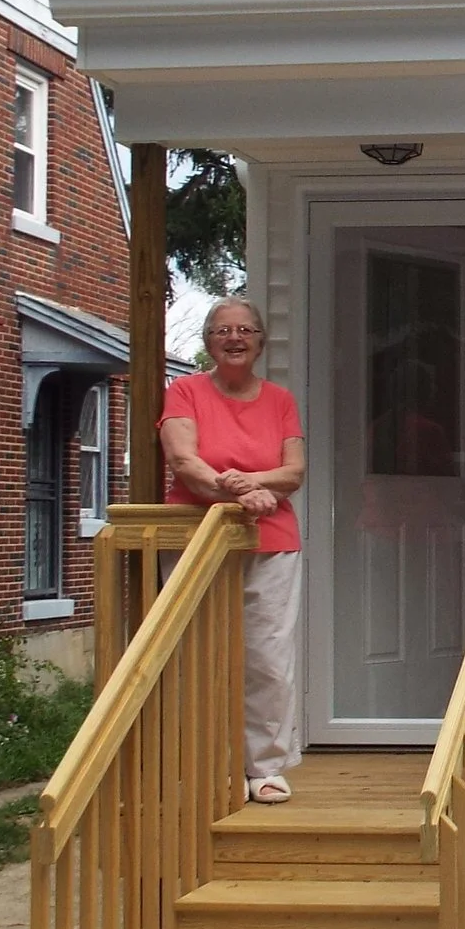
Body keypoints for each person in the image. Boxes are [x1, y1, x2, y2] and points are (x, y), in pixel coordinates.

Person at [159, 297, 307, 803]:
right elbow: (184, 462)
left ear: (261, 342)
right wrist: (246, 492)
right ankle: (210, 767)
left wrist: (253, 483)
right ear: (208, 342)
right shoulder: (185, 391)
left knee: (266, 656)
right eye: (223, 330)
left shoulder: (280, 399)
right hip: (196, 540)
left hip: (271, 541)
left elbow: (294, 472)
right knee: (197, 654)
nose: (234, 337)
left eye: (245, 329)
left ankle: (265, 766)